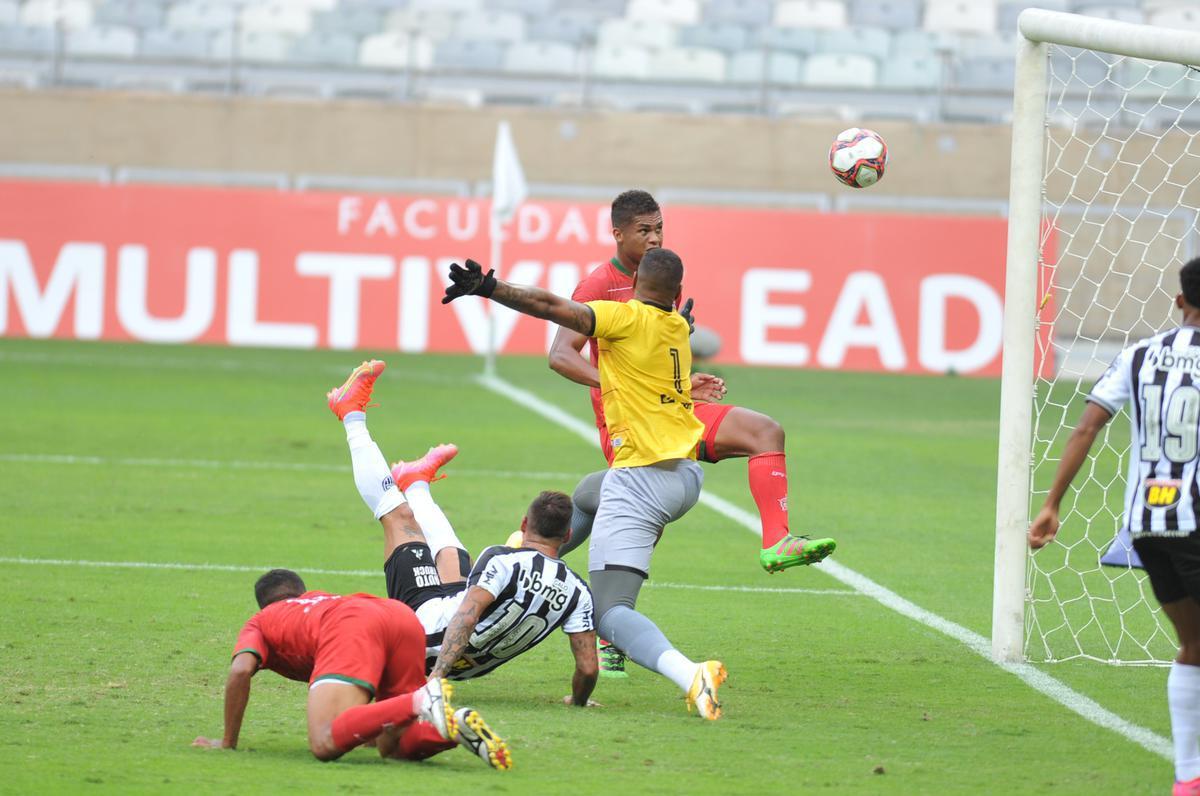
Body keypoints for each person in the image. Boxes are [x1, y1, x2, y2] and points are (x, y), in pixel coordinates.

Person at [442, 248, 726, 719]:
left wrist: (490, 287)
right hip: (686, 474)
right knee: (587, 495)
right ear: (677, 294)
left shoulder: (625, 318)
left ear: (634, 284)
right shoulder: (677, 327)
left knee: (610, 613)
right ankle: (523, 551)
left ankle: (690, 674)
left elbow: (554, 308)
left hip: (642, 483)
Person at [548, 189, 835, 575]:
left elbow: (656, 355)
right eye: (644, 230)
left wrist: (681, 384)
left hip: (672, 409)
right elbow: (561, 355)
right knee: (642, 529)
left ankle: (777, 543)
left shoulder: (662, 277)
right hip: (630, 424)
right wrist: (622, 386)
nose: (655, 238)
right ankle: (590, 609)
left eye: (660, 228)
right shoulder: (597, 286)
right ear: (618, 234)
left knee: (765, 431)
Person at [326, 360, 599, 711]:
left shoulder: (504, 559)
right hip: (467, 666)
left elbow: (467, 616)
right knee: (454, 559)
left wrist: (434, 680)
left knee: (400, 517)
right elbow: (588, 667)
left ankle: (350, 414)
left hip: (419, 635)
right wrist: (578, 700)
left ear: (523, 524)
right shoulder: (579, 592)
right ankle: (416, 482)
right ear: (568, 536)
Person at [1029, 257, 1200, 796]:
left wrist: (1053, 503)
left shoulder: (1140, 354)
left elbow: (1086, 426)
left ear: (1179, 301)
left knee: (1194, 646)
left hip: (1147, 525)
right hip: (1197, 520)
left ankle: (1187, 777)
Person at [192, 568, 511, 769]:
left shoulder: (261, 621)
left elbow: (240, 671)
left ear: (264, 603)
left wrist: (228, 740)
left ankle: (423, 700)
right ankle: (451, 727)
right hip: (396, 615)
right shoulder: (317, 600)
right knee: (393, 744)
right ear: (301, 592)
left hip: (353, 625)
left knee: (324, 742)